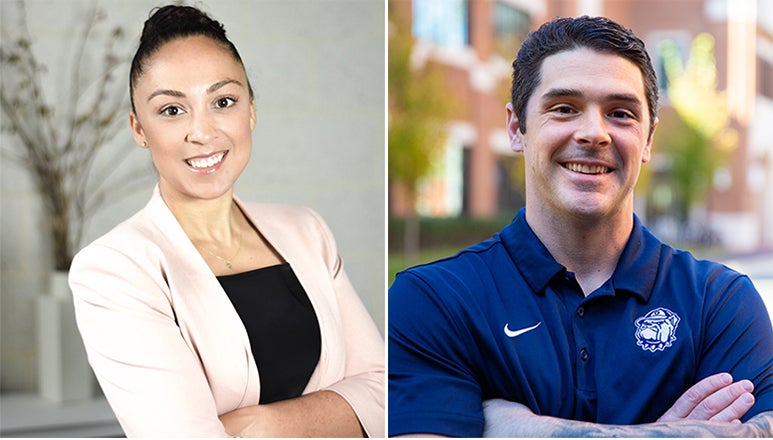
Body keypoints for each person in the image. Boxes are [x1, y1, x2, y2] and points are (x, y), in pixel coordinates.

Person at [388, 15, 772, 437]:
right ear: (517, 128)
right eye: (565, 108)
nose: (594, 133)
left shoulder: (720, 304)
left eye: (621, 113)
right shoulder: (434, 300)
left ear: (647, 140)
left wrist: (523, 430)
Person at [69, 4, 384, 437]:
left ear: (250, 111)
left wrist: (269, 425)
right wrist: (338, 413)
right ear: (139, 129)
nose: (202, 132)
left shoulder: (307, 231)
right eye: (172, 110)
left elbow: (387, 392)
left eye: (223, 101)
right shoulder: (112, 270)